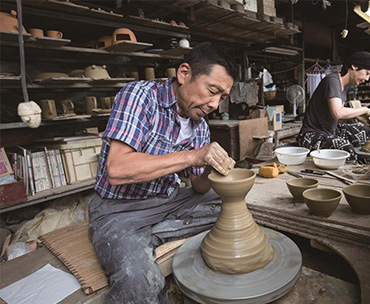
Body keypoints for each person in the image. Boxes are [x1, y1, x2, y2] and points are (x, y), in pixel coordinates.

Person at [88, 42, 239, 303]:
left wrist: (213, 170)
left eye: (222, 98)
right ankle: (149, 236)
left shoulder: (200, 123)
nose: (214, 104)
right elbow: (117, 169)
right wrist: (193, 156)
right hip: (119, 208)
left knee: (237, 207)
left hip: (168, 200)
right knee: (140, 283)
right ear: (184, 74)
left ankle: (156, 232)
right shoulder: (139, 96)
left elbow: (199, 187)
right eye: (212, 91)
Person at [297, 51, 370, 160]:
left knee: (364, 130)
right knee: (346, 148)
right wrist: (365, 110)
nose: (367, 79)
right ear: (355, 66)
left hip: (331, 131)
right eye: (367, 73)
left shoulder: (344, 86)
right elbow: (337, 113)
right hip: (310, 136)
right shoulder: (332, 81)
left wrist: (363, 119)